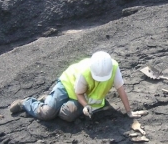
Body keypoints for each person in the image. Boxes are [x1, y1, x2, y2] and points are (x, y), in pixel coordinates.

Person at [9, 51, 141, 122]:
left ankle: (50, 100)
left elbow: (121, 90)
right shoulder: (85, 71)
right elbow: (78, 93)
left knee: (66, 115)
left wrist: (129, 112)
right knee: (47, 114)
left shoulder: (113, 67)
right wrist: (85, 105)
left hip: (84, 94)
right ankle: (26, 103)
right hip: (68, 85)